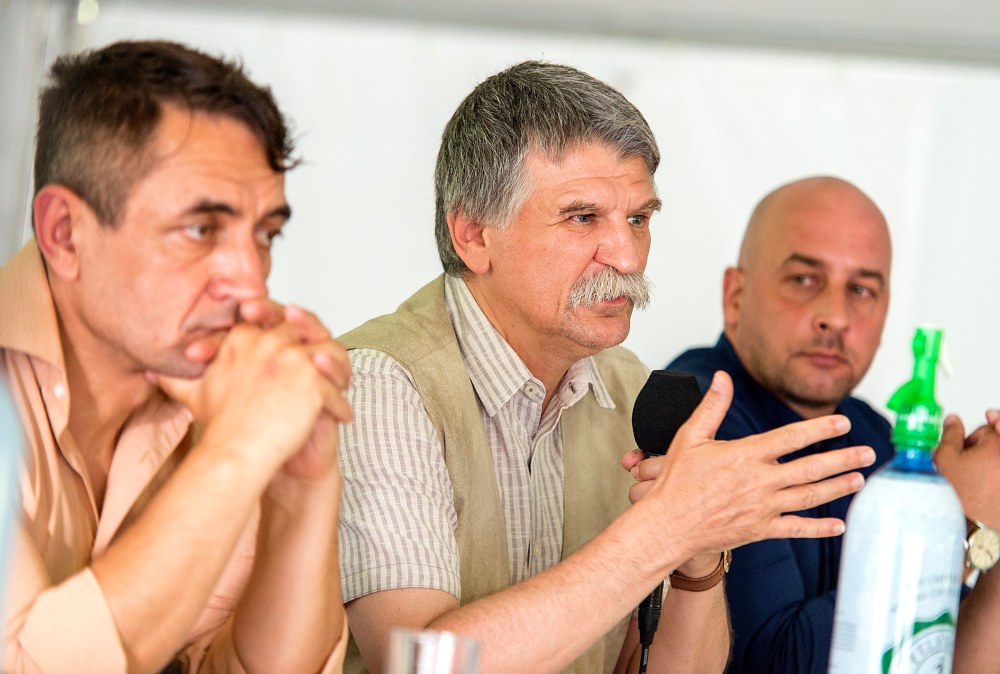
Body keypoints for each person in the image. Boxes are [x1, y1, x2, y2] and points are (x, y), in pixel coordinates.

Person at [337, 62, 876, 674]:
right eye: (582, 217)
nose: (626, 256)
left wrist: (697, 560)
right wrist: (665, 529)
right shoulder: (381, 383)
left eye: (639, 219)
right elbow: (423, 665)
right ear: (473, 235)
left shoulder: (632, 389)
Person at [1, 40, 350, 673]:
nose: (251, 283)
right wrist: (239, 448)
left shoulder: (213, 398)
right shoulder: (233, 431)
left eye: (265, 234)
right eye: (200, 229)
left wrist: (301, 483)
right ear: (65, 234)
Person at [644, 175, 1000, 673]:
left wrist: (991, 525)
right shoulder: (701, 419)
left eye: (861, 289)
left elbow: (931, 657)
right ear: (736, 296)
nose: (836, 316)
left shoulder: (870, 431)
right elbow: (776, 662)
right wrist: (956, 523)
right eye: (804, 280)